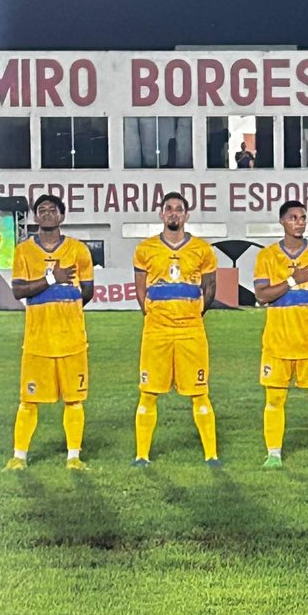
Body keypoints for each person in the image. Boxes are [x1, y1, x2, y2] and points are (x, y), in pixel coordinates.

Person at [7, 194, 95, 469]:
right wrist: (50, 280)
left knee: (74, 400)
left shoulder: (79, 250)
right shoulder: (24, 251)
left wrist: (66, 308)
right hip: (38, 341)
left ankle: (73, 457)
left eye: (52, 210)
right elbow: (18, 290)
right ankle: (18, 458)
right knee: (28, 400)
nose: (46, 214)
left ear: (61, 216)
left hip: (71, 340)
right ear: (35, 217)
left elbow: (88, 291)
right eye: (41, 210)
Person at [132, 191, 220, 464]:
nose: (173, 213)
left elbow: (210, 288)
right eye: (168, 208)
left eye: (178, 209)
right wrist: (156, 315)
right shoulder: (145, 249)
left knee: (199, 392)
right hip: (156, 330)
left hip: (190, 331)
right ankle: (142, 455)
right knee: (148, 393)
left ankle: (211, 455)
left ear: (186, 215)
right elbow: (140, 291)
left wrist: (191, 314)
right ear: (161, 214)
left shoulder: (202, 249)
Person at [253, 200, 308, 467]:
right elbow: (262, 295)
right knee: (275, 398)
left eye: (302, 217)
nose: (299, 222)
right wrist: (293, 281)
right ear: (282, 222)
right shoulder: (266, 257)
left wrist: (297, 300)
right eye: (293, 217)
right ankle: (274, 455)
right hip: (277, 342)